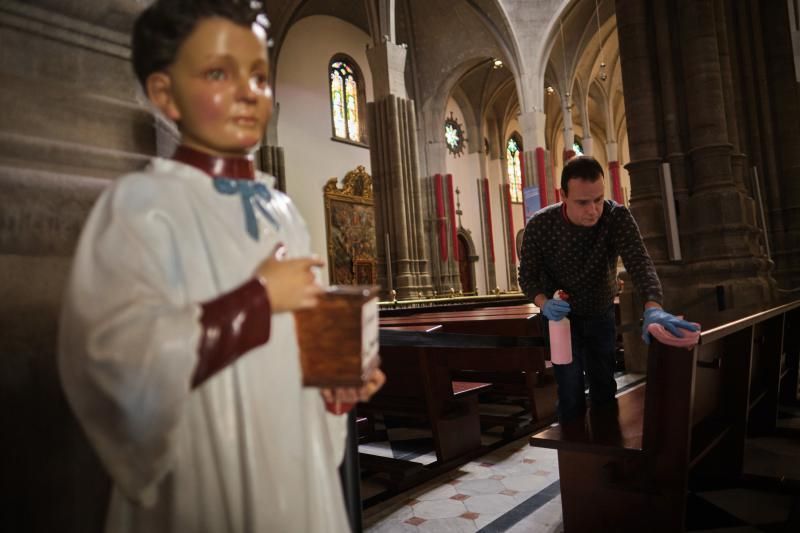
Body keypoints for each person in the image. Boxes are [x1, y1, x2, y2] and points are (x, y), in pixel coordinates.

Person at [58, 1, 384, 531]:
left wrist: (339, 375)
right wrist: (257, 300)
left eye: (259, 75)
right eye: (217, 73)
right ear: (165, 93)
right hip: (208, 459)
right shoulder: (142, 205)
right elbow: (113, 358)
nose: (248, 92)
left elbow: (308, 328)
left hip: (293, 453)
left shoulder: (281, 209)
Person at [519, 156, 697, 422]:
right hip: (560, 321)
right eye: (582, 202)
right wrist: (544, 303)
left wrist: (653, 306)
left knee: (604, 386)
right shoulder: (540, 225)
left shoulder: (616, 217)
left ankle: (606, 454)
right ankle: (574, 458)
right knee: (570, 390)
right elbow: (527, 277)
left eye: (598, 199)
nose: (593, 210)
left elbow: (640, 263)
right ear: (563, 195)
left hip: (600, 313)